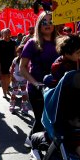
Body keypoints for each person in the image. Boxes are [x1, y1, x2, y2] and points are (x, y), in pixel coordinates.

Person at [19, 11, 59, 147]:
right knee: (42, 118)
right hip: (37, 88)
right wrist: (35, 83)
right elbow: (22, 67)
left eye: (50, 21)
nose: (48, 24)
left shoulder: (61, 41)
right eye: (44, 22)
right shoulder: (32, 43)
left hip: (57, 87)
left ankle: (50, 144)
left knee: (55, 119)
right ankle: (32, 140)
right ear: (39, 25)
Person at [9, 44, 29, 113]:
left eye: (22, 52)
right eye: (19, 52)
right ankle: (12, 105)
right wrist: (11, 77)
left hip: (23, 78)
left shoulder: (27, 60)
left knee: (24, 92)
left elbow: (29, 70)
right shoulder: (15, 59)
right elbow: (12, 68)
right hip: (16, 78)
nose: (20, 53)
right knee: (15, 91)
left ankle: (24, 105)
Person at [0, 28, 16, 98]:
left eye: (8, 32)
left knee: (9, 76)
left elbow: (15, 52)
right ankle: (4, 92)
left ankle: (7, 89)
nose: (7, 34)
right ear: (2, 34)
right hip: (2, 62)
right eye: (5, 33)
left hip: (11, 61)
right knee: (3, 77)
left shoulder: (13, 42)